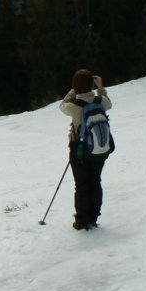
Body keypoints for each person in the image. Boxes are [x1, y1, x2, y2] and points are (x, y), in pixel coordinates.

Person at [59, 69, 113, 230]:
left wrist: (73, 91)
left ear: (75, 86)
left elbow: (62, 105)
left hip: (79, 148)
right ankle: (93, 216)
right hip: (99, 148)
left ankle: (82, 220)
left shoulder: (75, 106)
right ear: (91, 84)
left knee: (81, 184)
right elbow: (108, 103)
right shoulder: (100, 101)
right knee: (95, 181)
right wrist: (100, 87)